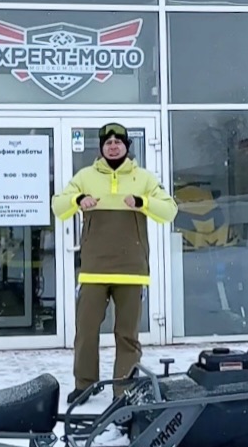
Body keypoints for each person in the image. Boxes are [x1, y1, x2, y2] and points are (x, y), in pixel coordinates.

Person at [51, 123, 178, 402]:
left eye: (118, 142)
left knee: (127, 335)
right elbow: (58, 206)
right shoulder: (85, 177)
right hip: (93, 271)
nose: (112, 146)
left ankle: (124, 389)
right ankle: (85, 385)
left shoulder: (143, 178)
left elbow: (170, 211)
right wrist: (78, 199)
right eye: (107, 142)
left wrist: (143, 202)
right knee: (86, 332)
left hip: (132, 271)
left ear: (126, 146)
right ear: (101, 148)